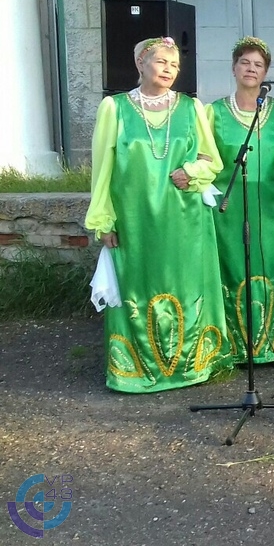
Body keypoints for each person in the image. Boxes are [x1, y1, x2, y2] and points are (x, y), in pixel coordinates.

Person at [85, 36, 230, 392]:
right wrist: (103, 218)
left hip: (184, 217)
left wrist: (192, 171)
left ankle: (190, 366)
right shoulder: (114, 108)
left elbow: (213, 161)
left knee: (186, 284)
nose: (169, 69)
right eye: (162, 61)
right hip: (135, 218)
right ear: (141, 64)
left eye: (175, 64)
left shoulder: (191, 107)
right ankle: (137, 371)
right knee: (138, 285)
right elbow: (102, 169)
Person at [207, 37, 274, 364]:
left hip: (273, 203)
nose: (251, 69)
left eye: (258, 65)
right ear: (234, 67)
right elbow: (204, 156)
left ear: (266, 73)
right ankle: (234, 346)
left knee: (272, 265)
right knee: (233, 267)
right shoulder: (213, 112)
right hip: (230, 205)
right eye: (245, 62)